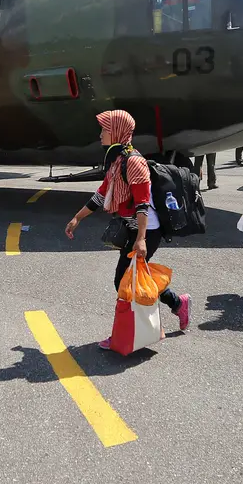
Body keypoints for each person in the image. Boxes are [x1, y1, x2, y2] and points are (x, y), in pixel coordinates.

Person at [64, 109, 191, 347]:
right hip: (133, 227)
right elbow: (102, 195)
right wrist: (77, 218)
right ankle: (174, 306)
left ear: (117, 132)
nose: (101, 134)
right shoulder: (116, 161)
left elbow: (143, 204)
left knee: (125, 281)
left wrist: (141, 239)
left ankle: (134, 332)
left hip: (147, 230)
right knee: (134, 278)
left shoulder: (134, 162)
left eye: (105, 129)